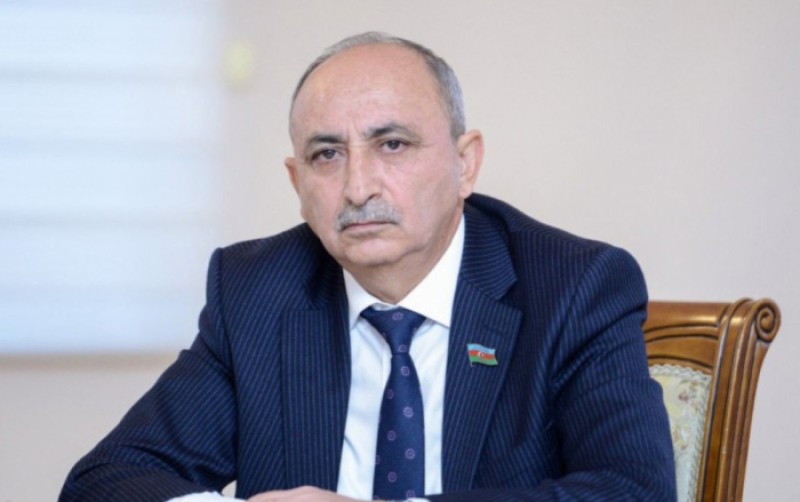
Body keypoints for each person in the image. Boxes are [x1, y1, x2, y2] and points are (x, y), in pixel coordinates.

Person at [60, 32, 676, 501]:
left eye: (392, 145)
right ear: (298, 184)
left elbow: (632, 491)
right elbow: (104, 481)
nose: (358, 187)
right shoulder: (254, 291)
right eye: (327, 155)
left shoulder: (575, 287)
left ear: (465, 164)